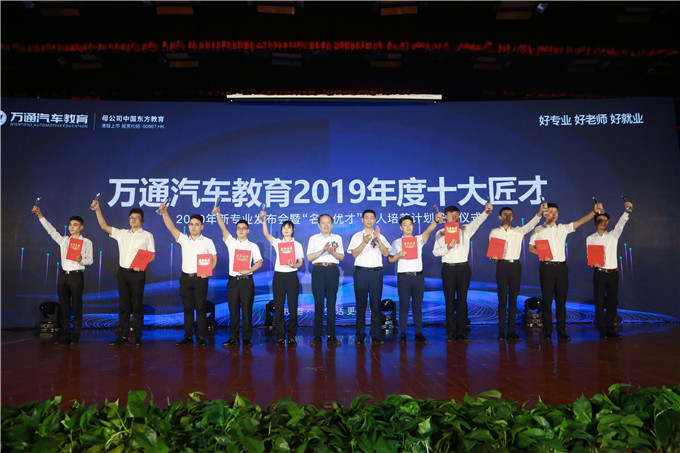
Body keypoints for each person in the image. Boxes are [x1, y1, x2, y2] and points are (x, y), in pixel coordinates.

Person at [528, 201, 603, 341]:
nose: (554, 214)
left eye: (556, 212)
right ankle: (548, 331)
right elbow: (531, 248)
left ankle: (561, 331)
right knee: (547, 300)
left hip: (561, 268)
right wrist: (541, 254)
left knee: (561, 300)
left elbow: (580, 222)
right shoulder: (538, 230)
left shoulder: (562, 228)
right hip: (546, 267)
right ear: (545, 214)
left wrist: (594, 212)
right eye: (551, 212)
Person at [91, 200, 155, 346]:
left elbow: (152, 256)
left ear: (142, 220)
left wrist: (142, 265)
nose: (133, 220)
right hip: (123, 273)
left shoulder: (147, 235)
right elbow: (104, 226)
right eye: (131, 217)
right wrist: (97, 209)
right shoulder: (122, 233)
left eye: (137, 218)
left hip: (137, 274)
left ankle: (137, 337)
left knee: (137, 306)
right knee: (124, 306)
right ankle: (123, 336)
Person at [32, 205, 93, 345]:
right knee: (64, 307)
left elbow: (90, 260)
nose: (72, 227)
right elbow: (50, 230)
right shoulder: (64, 240)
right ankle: (65, 336)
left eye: (75, 225)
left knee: (76, 306)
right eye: (70, 224)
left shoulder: (87, 242)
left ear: (81, 227)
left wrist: (81, 259)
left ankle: (75, 336)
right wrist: (40, 214)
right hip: (63, 276)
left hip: (76, 276)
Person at [433, 202, 493, 342]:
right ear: (445, 216)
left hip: (463, 268)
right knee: (449, 301)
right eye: (451, 214)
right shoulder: (440, 232)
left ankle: (461, 332)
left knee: (462, 300)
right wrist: (448, 247)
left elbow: (477, 222)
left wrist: (485, 212)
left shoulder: (465, 229)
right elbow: (435, 252)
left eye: (457, 215)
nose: (454, 217)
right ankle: (450, 333)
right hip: (448, 268)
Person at [158, 204, 217, 346]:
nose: (193, 227)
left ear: (202, 226)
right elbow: (171, 228)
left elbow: (214, 258)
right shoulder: (183, 239)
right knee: (188, 309)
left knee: (201, 308)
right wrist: (165, 213)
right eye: (191, 224)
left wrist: (208, 271)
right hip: (185, 278)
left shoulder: (208, 241)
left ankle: (201, 337)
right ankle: (188, 337)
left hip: (200, 278)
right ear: (188, 226)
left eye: (196, 225)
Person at [488, 203, 546, 342]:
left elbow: (531, 225)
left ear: (513, 217)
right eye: (505, 214)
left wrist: (539, 213)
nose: (508, 216)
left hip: (515, 266)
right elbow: (493, 250)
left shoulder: (519, 231)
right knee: (502, 300)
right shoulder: (494, 232)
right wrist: (493, 256)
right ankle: (502, 332)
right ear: (499, 217)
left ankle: (511, 332)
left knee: (513, 300)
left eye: (510, 214)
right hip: (502, 265)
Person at [388, 213, 442, 344]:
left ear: (413, 226)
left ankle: (419, 333)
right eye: (405, 225)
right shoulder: (397, 242)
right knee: (404, 306)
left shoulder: (418, 240)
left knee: (417, 306)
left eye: (410, 225)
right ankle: (403, 334)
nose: (408, 227)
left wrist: (436, 221)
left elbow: (428, 231)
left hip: (418, 277)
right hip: (404, 277)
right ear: (401, 227)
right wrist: (398, 255)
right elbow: (390, 259)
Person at [213, 207, 262, 347]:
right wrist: (218, 214)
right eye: (238, 228)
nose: (241, 230)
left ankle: (246, 338)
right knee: (233, 310)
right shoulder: (231, 242)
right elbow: (223, 228)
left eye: (244, 228)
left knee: (247, 310)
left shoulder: (253, 246)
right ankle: (233, 338)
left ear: (248, 230)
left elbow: (259, 262)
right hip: (233, 281)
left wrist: (249, 270)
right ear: (236, 231)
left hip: (247, 281)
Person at [586, 200, 633, 339]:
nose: (604, 222)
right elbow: (589, 255)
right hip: (599, 273)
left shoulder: (613, 235)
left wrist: (627, 211)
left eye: (606, 220)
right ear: (596, 223)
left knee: (612, 302)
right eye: (600, 220)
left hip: (613, 273)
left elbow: (621, 223)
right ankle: (602, 329)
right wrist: (593, 262)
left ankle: (611, 329)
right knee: (599, 302)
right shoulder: (590, 238)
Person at [260, 209, 304, 346]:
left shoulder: (297, 245)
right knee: (278, 307)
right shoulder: (278, 243)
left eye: (288, 227)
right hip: (279, 276)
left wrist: (295, 265)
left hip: (292, 276)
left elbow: (301, 261)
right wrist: (264, 220)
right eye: (284, 228)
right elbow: (266, 234)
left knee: (293, 307)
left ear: (293, 230)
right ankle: (280, 336)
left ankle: (291, 336)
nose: (286, 230)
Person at [347, 209, 391, 345]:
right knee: (360, 305)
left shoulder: (380, 236)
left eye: (372, 218)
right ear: (362, 220)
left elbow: (386, 253)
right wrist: (364, 242)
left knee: (375, 305)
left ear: (375, 220)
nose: (369, 220)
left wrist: (378, 241)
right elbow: (354, 254)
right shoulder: (357, 236)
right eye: (367, 217)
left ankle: (376, 335)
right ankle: (360, 335)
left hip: (376, 273)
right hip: (361, 273)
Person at [306, 214, 345, 347]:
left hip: (333, 270)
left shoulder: (337, 238)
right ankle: (317, 336)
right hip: (318, 270)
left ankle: (331, 335)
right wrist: (323, 250)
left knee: (331, 302)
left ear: (332, 224)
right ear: (319, 225)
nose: (326, 225)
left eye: (328, 222)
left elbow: (341, 257)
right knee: (318, 302)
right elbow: (310, 257)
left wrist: (332, 252)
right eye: (323, 222)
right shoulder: (313, 238)